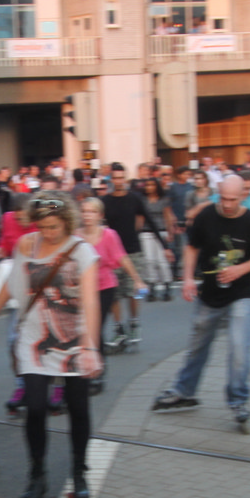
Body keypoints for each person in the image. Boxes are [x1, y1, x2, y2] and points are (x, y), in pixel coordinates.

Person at [0, 194, 102, 498]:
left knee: (78, 408)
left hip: (75, 338)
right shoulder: (27, 244)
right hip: (34, 339)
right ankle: (37, 475)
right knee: (34, 407)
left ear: (67, 222)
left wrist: (90, 345)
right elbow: (12, 282)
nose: (47, 232)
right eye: (42, 226)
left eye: (54, 227)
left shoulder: (82, 251)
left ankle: (79, 473)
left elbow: (91, 301)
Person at [153, 176, 250, 427]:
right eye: (224, 199)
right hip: (210, 293)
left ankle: (238, 400)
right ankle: (184, 391)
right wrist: (188, 278)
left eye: (233, 200)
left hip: (242, 292)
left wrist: (240, 269)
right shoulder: (207, 216)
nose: (227, 205)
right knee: (198, 344)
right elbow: (192, 247)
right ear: (218, 192)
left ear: (243, 195)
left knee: (239, 348)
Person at [78, 197, 139, 391]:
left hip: (104, 287)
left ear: (100, 215)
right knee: (81, 330)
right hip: (80, 289)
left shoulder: (109, 235)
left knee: (95, 329)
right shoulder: (75, 235)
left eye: (92, 212)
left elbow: (122, 258)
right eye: (84, 211)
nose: (87, 215)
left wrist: (137, 279)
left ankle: (97, 373)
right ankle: (81, 370)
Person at [100, 167, 152, 345]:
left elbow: (147, 218)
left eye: (122, 178)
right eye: (116, 178)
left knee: (133, 291)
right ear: (111, 180)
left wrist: (165, 246)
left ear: (125, 179)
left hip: (132, 250)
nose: (119, 181)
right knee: (113, 293)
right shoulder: (105, 201)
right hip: (112, 253)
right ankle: (119, 329)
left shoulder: (134, 198)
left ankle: (134, 323)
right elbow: (101, 223)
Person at [137, 177, 177, 300]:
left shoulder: (163, 200)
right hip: (146, 232)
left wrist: (170, 232)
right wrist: (137, 232)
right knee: (149, 260)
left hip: (161, 231)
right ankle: (152, 287)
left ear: (157, 186)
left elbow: (168, 216)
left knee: (162, 261)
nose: (149, 187)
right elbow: (140, 218)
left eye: (152, 185)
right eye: (147, 185)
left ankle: (167, 286)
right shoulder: (142, 200)